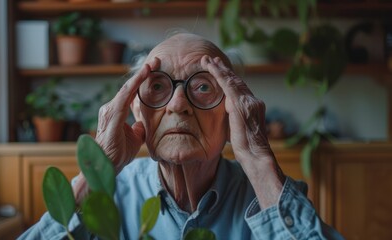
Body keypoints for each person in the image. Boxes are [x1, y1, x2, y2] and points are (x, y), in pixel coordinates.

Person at [18, 33, 344, 239]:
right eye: (157, 86)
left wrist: (260, 162)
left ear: (233, 111)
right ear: (135, 110)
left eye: (202, 87)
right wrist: (95, 172)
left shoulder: (270, 194)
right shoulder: (106, 199)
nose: (177, 104)